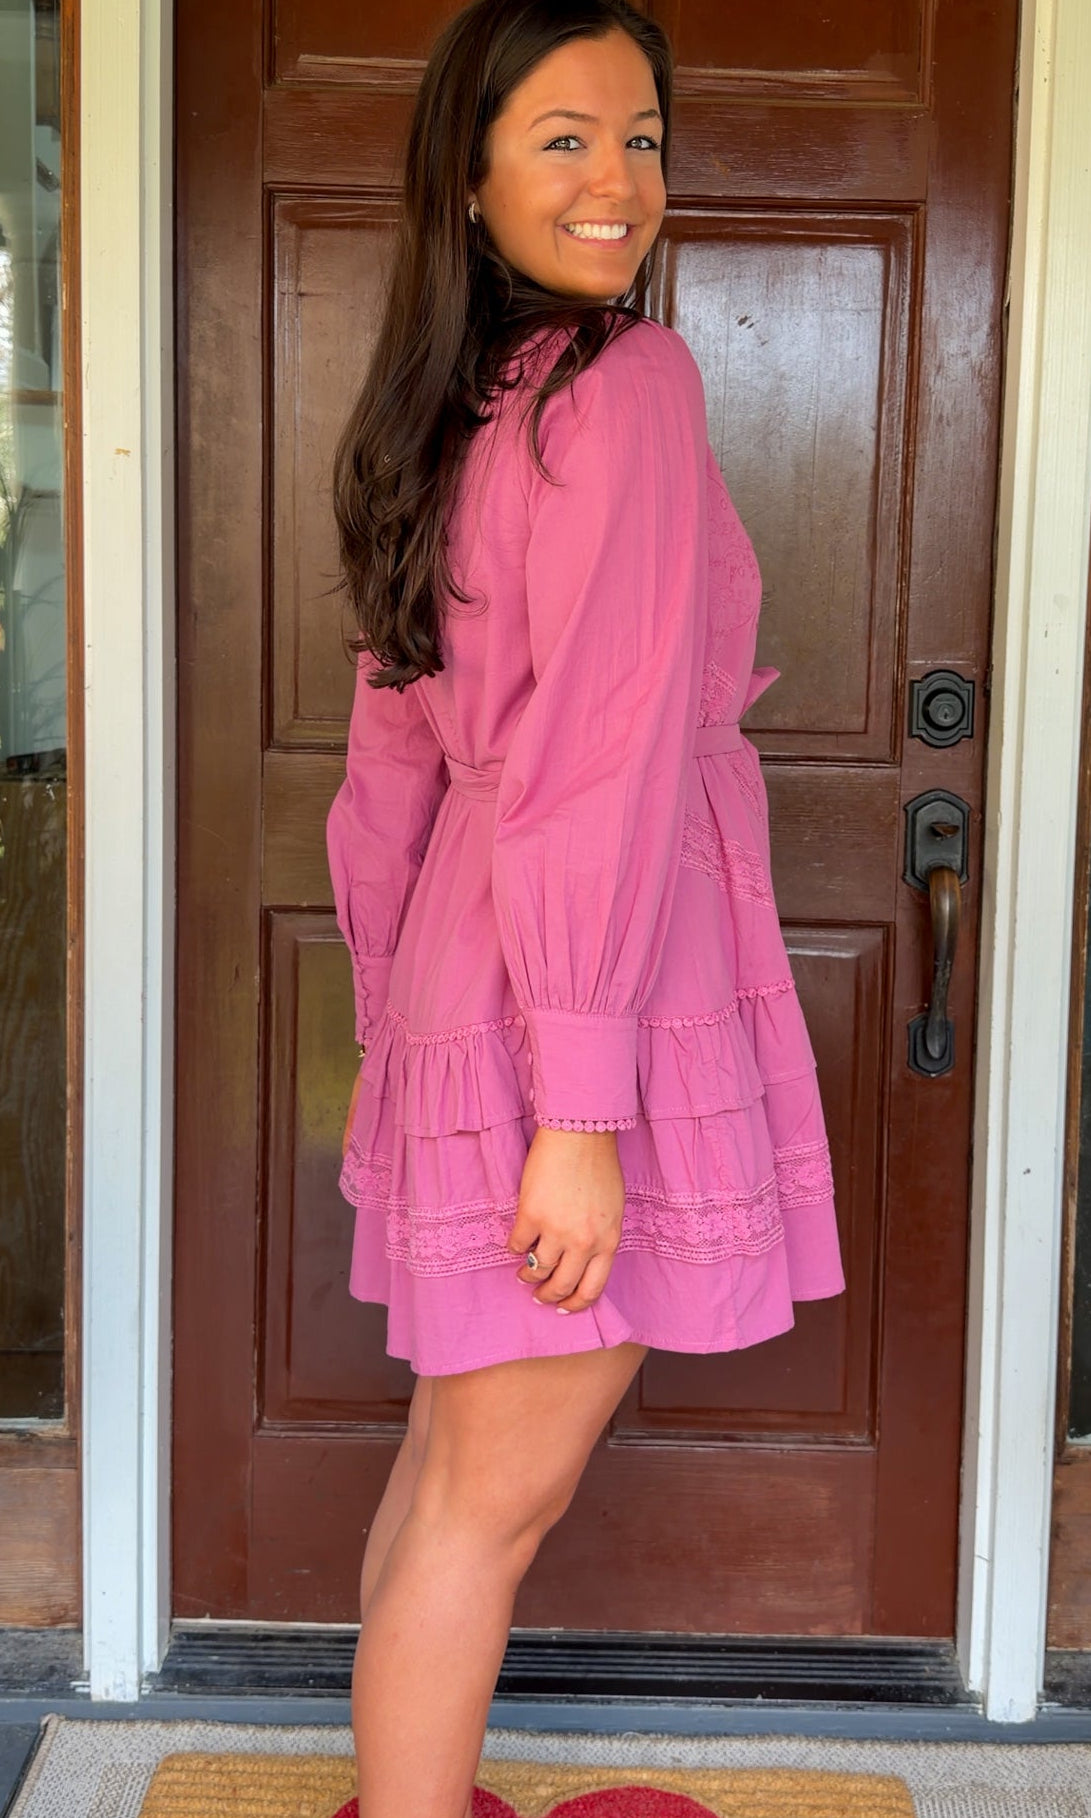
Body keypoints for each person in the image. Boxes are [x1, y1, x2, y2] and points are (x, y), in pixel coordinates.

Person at [324, 2, 847, 1813]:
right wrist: (574, 1108)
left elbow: (390, 774)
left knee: (445, 1470)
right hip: (575, 983)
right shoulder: (625, 388)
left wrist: (407, 1034)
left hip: (478, 973)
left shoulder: (448, 412)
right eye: (563, 136)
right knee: (494, 1496)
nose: (618, 178)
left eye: (642, 135)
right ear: (467, 180)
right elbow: (608, 767)